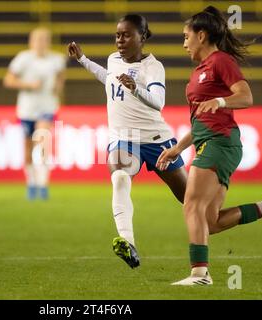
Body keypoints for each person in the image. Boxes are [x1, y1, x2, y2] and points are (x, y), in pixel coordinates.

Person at [156, 6, 262, 286]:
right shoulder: (198, 73)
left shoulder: (220, 61)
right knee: (210, 221)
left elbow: (246, 96)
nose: (183, 43)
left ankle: (200, 274)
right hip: (209, 141)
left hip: (220, 142)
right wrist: (178, 148)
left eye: (186, 36)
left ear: (201, 35)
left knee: (191, 204)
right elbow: (199, 122)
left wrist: (220, 101)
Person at [68, 14, 188, 269]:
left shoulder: (153, 67)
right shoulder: (113, 60)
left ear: (142, 38)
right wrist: (83, 60)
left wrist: (135, 88)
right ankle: (128, 243)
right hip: (125, 139)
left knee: (194, 203)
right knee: (120, 176)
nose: (120, 40)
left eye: (126, 35)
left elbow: (159, 102)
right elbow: (108, 78)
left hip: (157, 140)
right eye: (117, 35)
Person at [3, 27, 66, 200]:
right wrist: (29, 85)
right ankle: (31, 182)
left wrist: (57, 88)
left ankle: (43, 184)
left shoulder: (56, 59)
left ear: (48, 41)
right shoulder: (23, 59)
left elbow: (61, 76)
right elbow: (8, 80)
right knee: (27, 149)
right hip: (26, 109)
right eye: (37, 39)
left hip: (47, 108)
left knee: (42, 140)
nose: (40, 43)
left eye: (44, 39)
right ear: (31, 42)